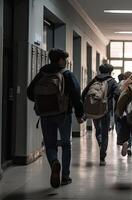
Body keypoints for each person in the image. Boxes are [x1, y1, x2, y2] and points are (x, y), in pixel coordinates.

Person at [27, 49, 84, 188]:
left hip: (46, 115)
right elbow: (76, 94)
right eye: (64, 59)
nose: (65, 61)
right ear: (60, 60)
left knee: (50, 145)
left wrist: (44, 103)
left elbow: (30, 92)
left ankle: (54, 162)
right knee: (66, 144)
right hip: (63, 114)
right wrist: (79, 114)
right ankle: (65, 176)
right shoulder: (67, 74)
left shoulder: (42, 73)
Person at [82, 63, 119, 166]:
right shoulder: (112, 81)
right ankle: (102, 158)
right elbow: (117, 94)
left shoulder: (95, 80)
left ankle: (100, 142)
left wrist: (86, 107)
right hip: (106, 111)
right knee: (105, 133)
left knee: (98, 131)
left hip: (94, 110)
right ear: (110, 71)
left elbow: (84, 93)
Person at [116, 71, 132, 157]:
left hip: (122, 111)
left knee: (122, 128)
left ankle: (124, 141)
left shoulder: (121, 84)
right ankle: (130, 145)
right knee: (131, 129)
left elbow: (115, 96)